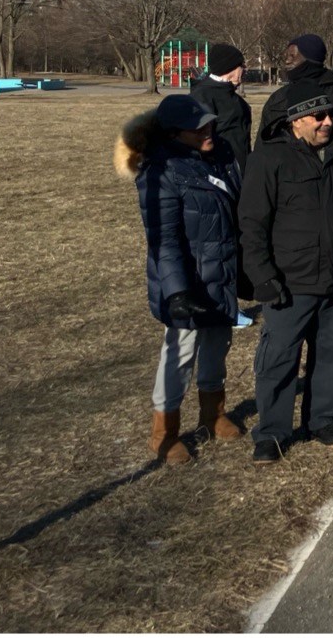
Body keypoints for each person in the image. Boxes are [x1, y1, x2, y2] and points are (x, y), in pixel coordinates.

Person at [240, 80, 333, 464]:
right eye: (318, 116)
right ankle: (272, 432)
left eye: (330, 114)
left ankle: (322, 418)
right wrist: (262, 276)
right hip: (290, 280)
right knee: (278, 358)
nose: (327, 121)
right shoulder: (270, 158)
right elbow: (252, 222)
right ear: (296, 122)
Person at [117, 95, 244, 465]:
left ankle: (213, 413)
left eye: (209, 124)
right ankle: (164, 432)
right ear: (175, 133)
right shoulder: (160, 171)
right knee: (180, 351)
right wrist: (176, 292)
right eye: (198, 127)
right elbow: (163, 239)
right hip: (186, 282)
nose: (209, 131)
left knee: (218, 344)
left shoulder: (220, 154)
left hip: (220, 272)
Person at [259, 33, 333, 146]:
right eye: (287, 56)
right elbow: (263, 146)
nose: (287, 61)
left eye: (292, 56)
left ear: (311, 58)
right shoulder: (277, 98)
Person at [191, 43, 252, 172]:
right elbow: (200, 139)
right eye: (241, 65)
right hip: (221, 171)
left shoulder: (230, 94)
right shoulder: (203, 95)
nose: (244, 69)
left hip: (240, 170)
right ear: (230, 67)